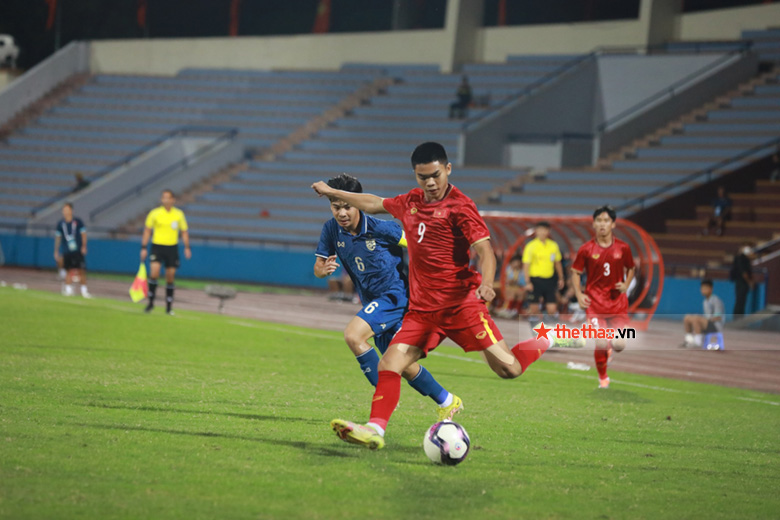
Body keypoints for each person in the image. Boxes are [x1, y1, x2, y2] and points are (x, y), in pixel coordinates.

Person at [312, 142, 581, 450]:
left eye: (435, 175)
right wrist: (331, 193)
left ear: (448, 169)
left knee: (508, 369)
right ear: (415, 175)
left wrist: (489, 282)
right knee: (389, 364)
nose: (430, 183)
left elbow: (484, 250)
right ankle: (375, 430)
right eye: (422, 176)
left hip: (461, 305)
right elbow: (373, 202)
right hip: (423, 310)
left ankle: (547, 336)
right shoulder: (410, 201)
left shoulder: (461, 207)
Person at [313, 173, 462, 422]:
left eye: (347, 206)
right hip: (372, 301)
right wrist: (323, 270)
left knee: (353, 335)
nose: (341, 213)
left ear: (358, 203)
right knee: (401, 365)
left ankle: (380, 404)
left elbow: (418, 244)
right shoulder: (331, 230)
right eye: (335, 207)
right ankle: (448, 400)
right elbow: (318, 267)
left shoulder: (382, 228)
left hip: (394, 297)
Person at [571, 205, 636, 389]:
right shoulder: (586, 249)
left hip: (617, 305)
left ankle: (610, 348)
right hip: (595, 304)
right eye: (599, 220)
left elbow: (631, 267)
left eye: (606, 220)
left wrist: (626, 285)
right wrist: (579, 293)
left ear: (613, 224)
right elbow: (576, 272)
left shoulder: (623, 248)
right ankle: (603, 378)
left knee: (619, 345)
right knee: (600, 341)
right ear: (593, 224)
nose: (602, 224)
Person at [140, 189, 191, 315]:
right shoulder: (155, 213)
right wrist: (144, 247)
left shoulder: (178, 214)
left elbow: (184, 232)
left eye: (168, 198)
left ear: (173, 200)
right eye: (164, 197)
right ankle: (150, 303)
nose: (166, 200)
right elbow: (147, 231)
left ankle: (169, 307)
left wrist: (187, 247)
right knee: (154, 272)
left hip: (171, 248)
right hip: (157, 246)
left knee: (170, 276)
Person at [522, 221, 564, 326]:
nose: (542, 232)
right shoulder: (531, 246)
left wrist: (561, 278)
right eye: (540, 230)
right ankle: (536, 332)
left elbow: (557, 263)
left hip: (549, 280)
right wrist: (527, 282)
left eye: (545, 230)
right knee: (534, 308)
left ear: (548, 231)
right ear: (536, 231)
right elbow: (526, 265)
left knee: (552, 308)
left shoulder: (553, 245)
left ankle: (549, 329)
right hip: (535, 280)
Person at [53, 202, 92, 298]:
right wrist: (56, 250)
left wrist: (84, 246)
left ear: (71, 210)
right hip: (67, 251)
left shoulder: (78, 222)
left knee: (82, 270)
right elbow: (58, 238)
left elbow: (83, 234)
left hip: (78, 250)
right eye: (64, 210)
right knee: (68, 270)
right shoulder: (60, 224)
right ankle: (68, 289)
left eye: (67, 209)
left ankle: (84, 291)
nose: (65, 212)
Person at [682, 279, 724, 348]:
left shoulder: (716, 300)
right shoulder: (705, 301)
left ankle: (698, 342)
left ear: (711, 289)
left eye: (705, 288)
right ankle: (689, 340)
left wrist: (703, 319)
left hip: (716, 326)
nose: (703, 290)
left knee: (696, 318)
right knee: (687, 317)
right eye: (702, 288)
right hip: (707, 324)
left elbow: (718, 317)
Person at [730, 243, 753, 316]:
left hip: (739, 282)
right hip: (742, 283)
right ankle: (738, 318)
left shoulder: (739, 258)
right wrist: (749, 282)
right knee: (740, 301)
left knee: (740, 301)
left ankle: (738, 318)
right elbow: (744, 273)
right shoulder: (742, 259)